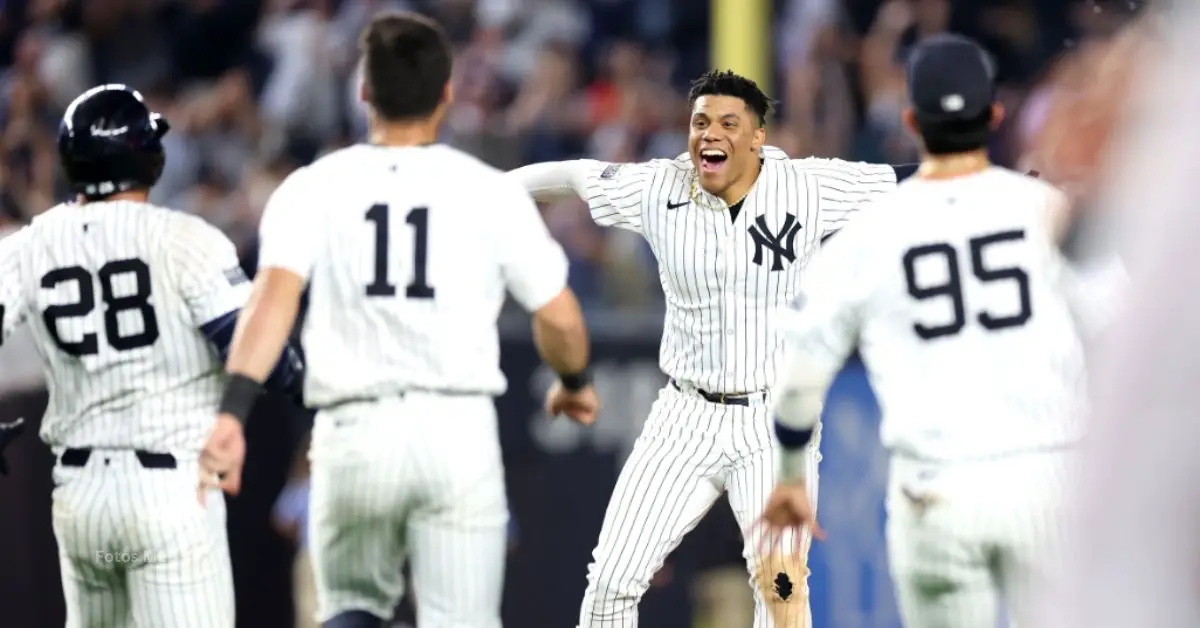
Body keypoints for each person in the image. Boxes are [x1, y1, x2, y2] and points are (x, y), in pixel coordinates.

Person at [198, 12, 595, 628]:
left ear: (364, 92)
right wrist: (573, 384)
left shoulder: (312, 186)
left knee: (350, 611)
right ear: (445, 94)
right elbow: (562, 318)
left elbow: (269, 306)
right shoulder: (489, 191)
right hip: (454, 431)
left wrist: (232, 412)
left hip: (354, 432)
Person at [506, 69, 901, 627]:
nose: (709, 135)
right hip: (684, 416)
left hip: (772, 423)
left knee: (781, 587)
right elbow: (574, 174)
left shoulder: (808, 187)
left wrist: (1012, 184)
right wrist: (488, 190)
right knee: (612, 582)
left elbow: (909, 179)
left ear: (758, 136)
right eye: (699, 122)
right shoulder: (659, 187)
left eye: (727, 123)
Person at [758, 34, 1092, 628]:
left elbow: (801, 374)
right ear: (994, 116)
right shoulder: (1047, 210)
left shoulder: (871, 231)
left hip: (935, 491)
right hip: (1048, 482)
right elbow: (1119, 331)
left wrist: (788, 477)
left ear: (912, 122)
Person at [0, 84, 300, 628]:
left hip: (85, 507)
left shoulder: (27, 246)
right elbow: (272, 363)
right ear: (147, 155)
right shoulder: (185, 240)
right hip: (167, 501)